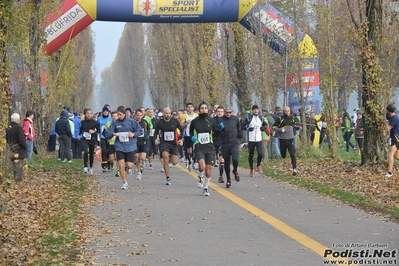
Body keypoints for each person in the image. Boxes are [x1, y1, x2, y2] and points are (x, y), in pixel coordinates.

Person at [105, 106, 143, 189]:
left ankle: (128, 167)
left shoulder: (132, 122)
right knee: (120, 164)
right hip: (119, 146)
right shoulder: (115, 123)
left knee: (129, 165)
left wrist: (133, 134)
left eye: (120, 114)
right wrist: (114, 134)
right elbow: (107, 133)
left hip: (130, 146)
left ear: (124, 114)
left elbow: (140, 131)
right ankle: (124, 182)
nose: (118, 116)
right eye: (117, 115)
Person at [190, 102, 221, 196]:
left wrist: (220, 129)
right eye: (202, 108)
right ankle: (200, 176)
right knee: (202, 166)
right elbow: (191, 131)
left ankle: (206, 188)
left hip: (210, 147)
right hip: (199, 146)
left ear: (208, 110)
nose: (204, 110)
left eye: (205, 108)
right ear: (199, 110)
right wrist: (192, 138)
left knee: (208, 171)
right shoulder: (195, 121)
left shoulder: (211, 120)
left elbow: (217, 133)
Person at [154, 107, 184, 185]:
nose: (168, 115)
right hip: (164, 143)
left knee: (174, 162)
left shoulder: (175, 121)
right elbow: (156, 132)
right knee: (165, 158)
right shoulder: (160, 122)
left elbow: (181, 130)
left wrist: (181, 139)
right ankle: (167, 177)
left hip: (174, 144)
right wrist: (156, 139)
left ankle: (171, 157)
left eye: (169, 113)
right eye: (166, 113)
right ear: (163, 114)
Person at [242, 104, 270, 177]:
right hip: (251, 139)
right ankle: (251, 169)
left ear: (258, 110)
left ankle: (258, 165)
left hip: (259, 139)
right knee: (251, 154)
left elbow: (265, 125)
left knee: (260, 153)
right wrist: (247, 129)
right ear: (252, 110)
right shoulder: (249, 118)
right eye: (254, 109)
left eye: (257, 109)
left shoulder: (261, 118)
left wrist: (263, 128)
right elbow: (242, 126)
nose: (255, 110)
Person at [218, 105, 242, 188]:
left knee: (235, 158)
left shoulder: (235, 119)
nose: (228, 114)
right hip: (225, 143)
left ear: (232, 112)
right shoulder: (220, 119)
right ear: (224, 112)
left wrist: (239, 134)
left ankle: (235, 171)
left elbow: (239, 126)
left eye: (230, 112)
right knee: (226, 163)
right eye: (226, 112)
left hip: (234, 142)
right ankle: (228, 179)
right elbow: (217, 131)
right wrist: (220, 129)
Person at [272, 106, 299, 175]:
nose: (287, 113)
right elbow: (274, 127)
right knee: (283, 155)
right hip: (283, 140)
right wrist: (280, 130)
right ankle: (284, 154)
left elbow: (294, 125)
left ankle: (294, 169)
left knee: (293, 154)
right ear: (284, 112)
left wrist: (298, 127)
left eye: (288, 111)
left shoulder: (292, 118)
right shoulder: (280, 118)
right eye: (286, 111)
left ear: (290, 111)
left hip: (290, 139)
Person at [6, 113, 27, 182]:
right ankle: (18, 181)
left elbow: (7, 139)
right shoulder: (18, 128)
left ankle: (15, 180)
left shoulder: (8, 128)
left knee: (14, 166)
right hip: (19, 150)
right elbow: (21, 140)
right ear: (18, 120)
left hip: (12, 149)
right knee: (19, 166)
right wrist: (25, 146)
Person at [79, 108, 100, 174]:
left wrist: (94, 131)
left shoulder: (94, 122)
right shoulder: (82, 122)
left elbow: (99, 130)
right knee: (85, 151)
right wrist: (79, 135)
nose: (89, 115)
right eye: (88, 113)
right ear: (85, 114)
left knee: (91, 153)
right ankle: (85, 167)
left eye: (90, 113)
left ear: (92, 114)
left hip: (92, 139)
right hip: (84, 138)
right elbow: (81, 129)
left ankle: (90, 167)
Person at [133, 109, 150, 180]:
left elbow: (148, 129)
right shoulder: (132, 122)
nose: (139, 117)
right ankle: (139, 172)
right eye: (138, 115)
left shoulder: (144, 122)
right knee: (137, 158)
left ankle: (144, 161)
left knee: (142, 157)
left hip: (143, 141)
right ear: (135, 115)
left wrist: (147, 135)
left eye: (141, 115)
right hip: (135, 141)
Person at [180, 102, 198, 170]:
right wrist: (187, 123)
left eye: (191, 107)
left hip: (195, 134)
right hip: (187, 134)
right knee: (188, 150)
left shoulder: (196, 115)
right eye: (188, 107)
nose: (190, 108)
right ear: (187, 108)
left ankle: (194, 162)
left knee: (195, 147)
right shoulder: (184, 116)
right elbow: (181, 125)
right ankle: (189, 161)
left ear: (193, 108)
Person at [97, 105, 112, 171]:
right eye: (104, 111)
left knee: (109, 151)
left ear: (108, 112)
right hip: (102, 137)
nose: (105, 112)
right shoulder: (99, 119)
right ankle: (104, 164)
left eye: (106, 111)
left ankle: (109, 164)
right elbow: (97, 127)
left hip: (109, 137)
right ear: (102, 112)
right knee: (104, 150)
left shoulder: (110, 119)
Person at [385, 104, 399, 178]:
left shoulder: (394, 118)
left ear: (389, 112)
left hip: (395, 139)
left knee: (390, 155)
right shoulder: (396, 116)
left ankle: (389, 172)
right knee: (397, 156)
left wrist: (387, 121)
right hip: (397, 139)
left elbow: (388, 128)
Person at [103, 111, 118, 176]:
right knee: (111, 158)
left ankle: (118, 171)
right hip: (111, 143)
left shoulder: (120, 124)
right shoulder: (108, 124)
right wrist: (107, 137)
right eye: (113, 116)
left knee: (118, 158)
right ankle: (110, 163)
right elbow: (104, 132)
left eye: (116, 116)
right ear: (111, 117)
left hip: (119, 143)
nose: (114, 117)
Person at [213, 106, 225, 183]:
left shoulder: (226, 120)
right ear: (216, 112)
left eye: (221, 111)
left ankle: (221, 176)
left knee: (221, 159)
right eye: (218, 111)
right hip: (214, 141)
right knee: (211, 160)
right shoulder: (213, 120)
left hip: (223, 141)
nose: (220, 113)